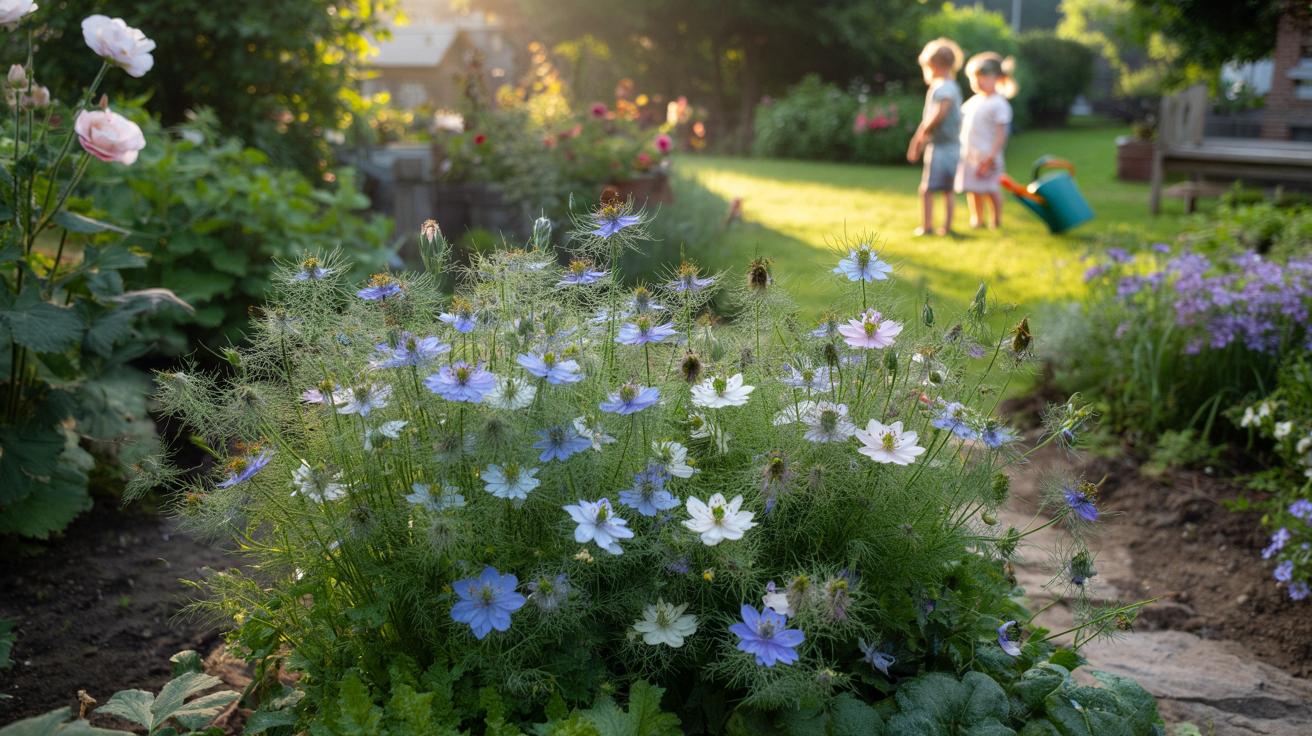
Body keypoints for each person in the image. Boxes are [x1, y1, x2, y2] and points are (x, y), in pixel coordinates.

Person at [906, 37, 963, 237]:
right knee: (946, 190)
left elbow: (940, 112)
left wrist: (921, 136)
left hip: (943, 148)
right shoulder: (951, 85)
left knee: (928, 190)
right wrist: (920, 138)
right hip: (947, 146)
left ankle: (928, 226)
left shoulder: (944, 87)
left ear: (935, 66)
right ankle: (944, 227)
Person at [957, 52, 1018, 229]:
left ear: (998, 78)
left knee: (991, 189)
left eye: (983, 77)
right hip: (971, 155)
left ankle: (995, 220)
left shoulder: (999, 104)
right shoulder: (973, 102)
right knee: (973, 189)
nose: (978, 81)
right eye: (975, 78)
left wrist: (991, 156)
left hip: (988, 156)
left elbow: (1001, 134)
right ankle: (977, 218)